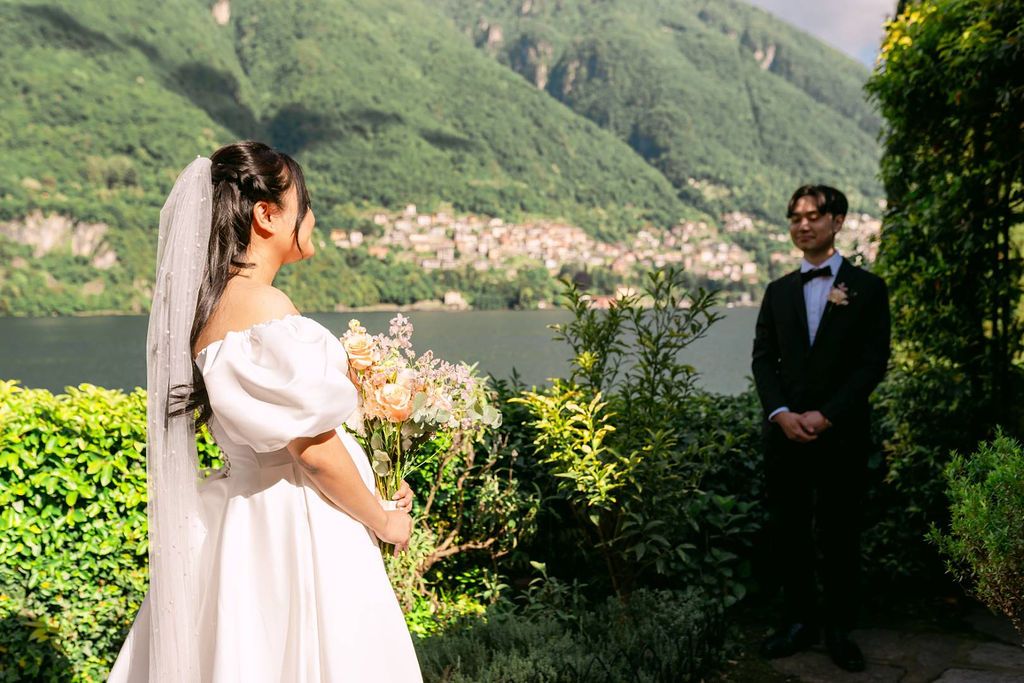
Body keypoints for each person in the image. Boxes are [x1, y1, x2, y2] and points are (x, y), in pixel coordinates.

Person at [109, 141, 423, 681]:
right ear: (267, 214)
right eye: (305, 202)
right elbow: (313, 450)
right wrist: (385, 521)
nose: (314, 217)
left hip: (247, 521)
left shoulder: (214, 310)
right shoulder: (265, 311)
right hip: (299, 523)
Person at [751, 185, 890, 673]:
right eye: (794, 218)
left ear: (837, 221)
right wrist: (781, 413)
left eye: (813, 216)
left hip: (842, 433)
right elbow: (764, 361)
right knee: (788, 530)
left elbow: (872, 363)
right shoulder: (777, 292)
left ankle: (838, 629)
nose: (803, 225)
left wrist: (827, 414)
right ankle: (797, 621)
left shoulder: (868, 289)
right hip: (784, 434)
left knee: (839, 532)